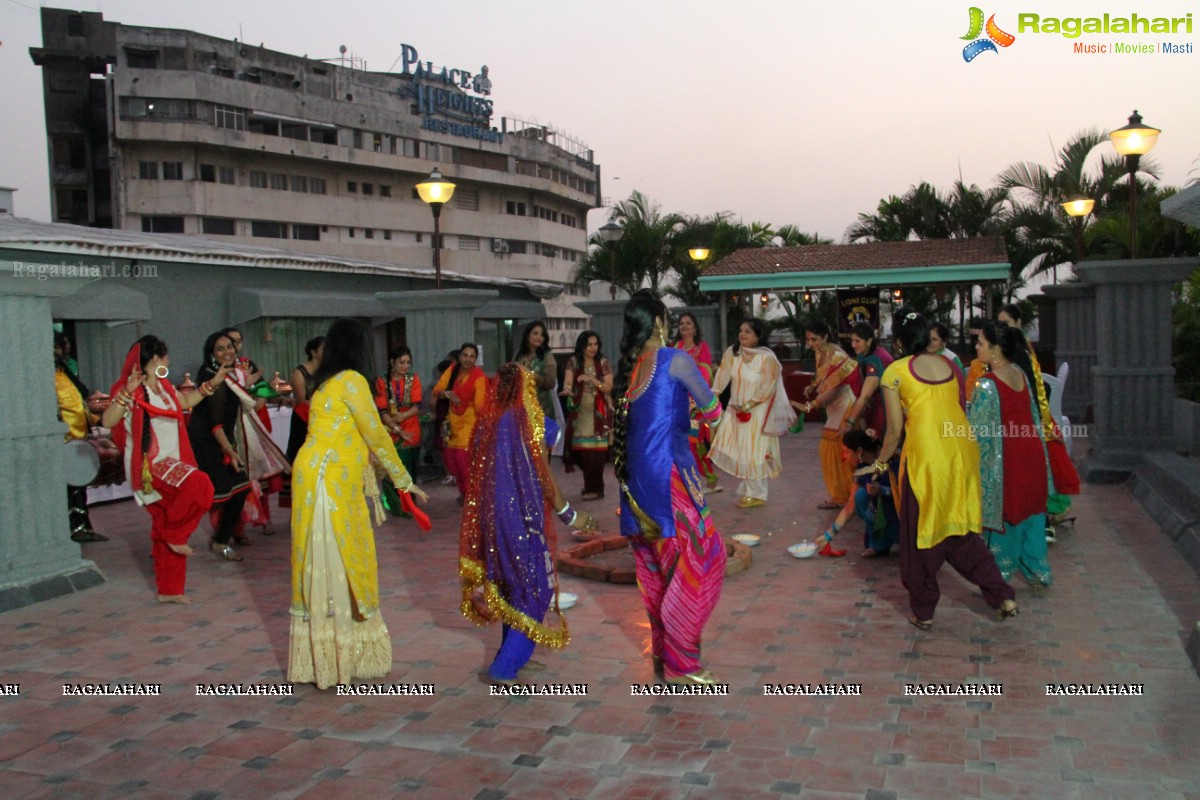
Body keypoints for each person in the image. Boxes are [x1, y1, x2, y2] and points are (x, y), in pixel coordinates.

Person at [289, 318, 429, 689]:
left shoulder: (327, 384)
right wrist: (405, 481)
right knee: (338, 561)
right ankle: (337, 660)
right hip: (328, 480)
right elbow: (376, 435)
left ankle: (325, 661)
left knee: (321, 562)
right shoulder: (351, 380)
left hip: (315, 474)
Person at [876, 309, 1017, 630]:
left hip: (928, 459)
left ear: (899, 340)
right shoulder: (951, 366)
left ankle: (923, 611)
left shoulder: (894, 372)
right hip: (962, 453)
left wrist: (880, 462)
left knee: (918, 538)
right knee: (960, 532)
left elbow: (895, 431)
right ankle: (1002, 594)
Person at [613, 290, 727, 685]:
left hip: (635, 486)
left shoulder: (630, 367)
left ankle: (665, 658)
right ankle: (683, 665)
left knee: (657, 573)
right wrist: (696, 411)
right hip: (670, 481)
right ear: (660, 322)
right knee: (704, 559)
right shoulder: (676, 360)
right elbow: (713, 410)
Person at [460, 363, 596, 684]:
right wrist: (570, 515)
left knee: (511, 586)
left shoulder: (485, 422)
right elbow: (545, 473)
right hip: (522, 518)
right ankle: (505, 666)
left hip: (492, 519)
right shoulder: (530, 419)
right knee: (536, 588)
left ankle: (516, 655)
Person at [101, 336, 219, 603]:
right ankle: (174, 535)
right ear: (155, 359)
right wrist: (126, 393)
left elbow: (186, 403)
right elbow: (108, 420)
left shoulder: (164, 388)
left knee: (166, 519)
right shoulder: (131, 389)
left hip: (172, 461)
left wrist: (212, 384)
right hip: (151, 465)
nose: (168, 361)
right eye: (165, 356)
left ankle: (170, 590)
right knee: (201, 486)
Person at [968, 322, 1052, 586]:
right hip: (1031, 451)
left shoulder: (986, 384)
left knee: (1006, 513)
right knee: (1031, 512)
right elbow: (1034, 415)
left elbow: (977, 433)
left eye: (981, 343)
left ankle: (999, 574)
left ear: (994, 349)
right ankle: (1038, 570)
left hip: (1009, 459)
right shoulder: (1019, 373)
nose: (976, 347)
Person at [997, 304, 1079, 541]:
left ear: (1018, 323)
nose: (1003, 328)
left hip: (1028, 423)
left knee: (1036, 473)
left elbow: (1031, 391)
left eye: (1006, 323)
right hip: (1028, 422)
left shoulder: (1018, 351)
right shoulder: (1016, 349)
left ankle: (1039, 522)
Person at [709, 319, 795, 508]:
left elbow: (769, 385)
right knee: (742, 450)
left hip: (757, 411)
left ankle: (758, 493)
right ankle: (750, 487)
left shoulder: (767, 358)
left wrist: (749, 405)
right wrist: (710, 398)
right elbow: (721, 378)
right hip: (736, 409)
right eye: (741, 330)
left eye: (748, 331)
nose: (742, 334)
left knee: (755, 450)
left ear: (758, 336)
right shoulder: (733, 354)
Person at [188, 331, 252, 561]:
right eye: (221, 348)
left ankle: (220, 540)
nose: (228, 352)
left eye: (230, 346)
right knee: (207, 496)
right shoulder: (213, 378)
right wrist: (230, 451)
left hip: (218, 441)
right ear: (211, 354)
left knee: (238, 488)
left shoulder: (228, 375)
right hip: (207, 443)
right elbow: (215, 424)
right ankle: (170, 537)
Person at [793, 320, 859, 510]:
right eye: (808, 340)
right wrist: (812, 385)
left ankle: (847, 495)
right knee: (832, 451)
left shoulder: (837, 355)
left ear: (825, 337)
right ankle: (843, 495)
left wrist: (810, 406)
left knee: (838, 451)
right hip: (833, 406)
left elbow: (835, 388)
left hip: (845, 404)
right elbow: (822, 378)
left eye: (814, 339)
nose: (811, 343)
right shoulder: (820, 352)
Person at [814, 429, 899, 558]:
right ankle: (879, 545)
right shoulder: (862, 469)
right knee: (861, 496)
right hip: (880, 513)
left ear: (859, 451)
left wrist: (883, 491)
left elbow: (907, 494)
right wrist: (829, 535)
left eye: (847, 453)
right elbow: (850, 507)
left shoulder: (890, 461)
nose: (845, 457)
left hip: (900, 515)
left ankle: (900, 538)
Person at [55, 333, 105, 542]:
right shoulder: (47, 376)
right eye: (57, 347)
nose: (58, 352)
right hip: (62, 441)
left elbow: (79, 404)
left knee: (77, 486)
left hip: (76, 439)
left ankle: (81, 527)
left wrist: (97, 420)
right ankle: (72, 529)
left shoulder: (63, 373)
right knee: (68, 488)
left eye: (59, 347)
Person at [432, 343, 487, 503]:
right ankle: (465, 492)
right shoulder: (453, 370)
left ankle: (471, 495)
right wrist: (446, 394)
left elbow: (480, 405)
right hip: (452, 421)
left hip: (470, 421)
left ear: (476, 359)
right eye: (465, 355)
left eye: (472, 356)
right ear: (460, 356)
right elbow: (438, 390)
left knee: (463, 461)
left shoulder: (479, 376)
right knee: (451, 461)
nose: (468, 359)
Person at [561, 331, 612, 501]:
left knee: (596, 453)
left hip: (599, 412)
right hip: (579, 411)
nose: (593, 348)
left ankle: (596, 488)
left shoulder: (603, 363)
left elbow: (608, 387)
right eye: (589, 344)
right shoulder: (573, 362)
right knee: (579, 451)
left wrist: (591, 379)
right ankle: (591, 484)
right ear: (582, 345)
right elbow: (568, 382)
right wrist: (567, 390)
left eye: (595, 344)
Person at [674, 313, 719, 492]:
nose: (684, 326)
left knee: (697, 442)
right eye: (681, 323)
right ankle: (687, 481)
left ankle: (710, 477)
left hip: (696, 404)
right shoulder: (675, 347)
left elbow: (706, 373)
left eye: (688, 323)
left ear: (694, 328)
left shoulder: (702, 347)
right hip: (679, 403)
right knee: (681, 443)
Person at [374, 345, 423, 512]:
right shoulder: (382, 382)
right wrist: (395, 427)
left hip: (410, 428)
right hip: (390, 429)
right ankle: (394, 503)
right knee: (390, 469)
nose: (405, 366)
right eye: (402, 362)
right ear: (392, 362)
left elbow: (417, 406)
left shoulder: (413, 379)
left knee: (409, 468)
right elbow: (382, 411)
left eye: (408, 362)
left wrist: (402, 417)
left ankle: (409, 502)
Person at [515, 320, 566, 458]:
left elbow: (550, 383)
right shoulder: (519, 356)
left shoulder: (547, 357)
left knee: (541, 454)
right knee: (524, 454)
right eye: (535, 333)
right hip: (522, 409)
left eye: (542, 335)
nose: (539, 337)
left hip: (542, 409)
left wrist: (531, 375)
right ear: (527, 336)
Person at [839, 322, 893, 441]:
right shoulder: (868, 355)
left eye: (857, 341)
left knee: (874, 450)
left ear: (869, 341)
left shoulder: (875, 360)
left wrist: (850, 423)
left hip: (883, 410)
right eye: (852, 341)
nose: (853, 345)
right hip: (875, 408)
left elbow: (865, 396)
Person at [285, 336, 324, 464]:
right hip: (303, 417)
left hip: (320, 415)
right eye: (324, 349)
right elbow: (301, 400)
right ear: (313, 352)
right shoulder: (300, 372)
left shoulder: (325, 372)